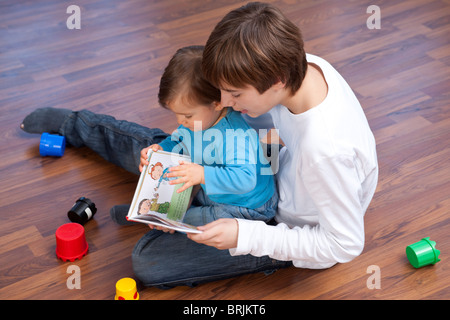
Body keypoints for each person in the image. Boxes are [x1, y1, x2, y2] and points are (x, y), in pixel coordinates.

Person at [20, 2, 378, 288]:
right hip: (259, 173)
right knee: (159, 148)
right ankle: (75, 124)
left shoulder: (326, 152)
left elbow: (344, 244)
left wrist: (247, 233)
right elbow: (268, 128)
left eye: (235, 93)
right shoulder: (307, 67)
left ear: (277, 80)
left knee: (148, 261)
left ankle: (177, 215)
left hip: (276, 227)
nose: (223, 100)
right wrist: (254, 160)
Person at [141, 45, 277, 226]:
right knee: (172, 201)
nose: (181, 121)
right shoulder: (199, 120)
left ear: (218, 103)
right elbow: (179, 139)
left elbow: (246, 179)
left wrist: (202, 174)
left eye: (187, 115)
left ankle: (151, 218)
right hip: (217, 191)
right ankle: (145, 214)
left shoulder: (235, 135)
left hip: (249, 207)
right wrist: (161, 149)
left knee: (177, 219)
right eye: (176, 114)